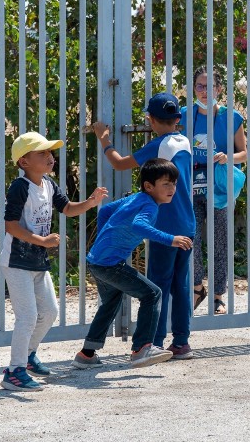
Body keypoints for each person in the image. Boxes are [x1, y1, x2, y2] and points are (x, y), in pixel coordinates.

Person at [0, 131, 108, 391]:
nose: (50, 157)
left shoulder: (48, 184)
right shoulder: (20, 187)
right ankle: (13, 372)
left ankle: (28, 356)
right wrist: (43, 241)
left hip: (36, 260)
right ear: (24, 162)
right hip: (16, 261)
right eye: (42, 153)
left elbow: (68, 208)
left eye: (50, 152)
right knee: (27, 317)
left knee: (49, 312)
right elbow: (11, 226)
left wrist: (90, 203)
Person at [92, 93, 197, 359]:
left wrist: (104, 139)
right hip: (187, 222)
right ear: (177, 119)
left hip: (164, 226)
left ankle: (154, 341)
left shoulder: (159, 145)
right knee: (181, 285)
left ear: (150, 120)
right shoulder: (183, 141)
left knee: (158, 284)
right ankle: (182, 343)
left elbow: (118, 163)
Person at [71, 158, 193, 370]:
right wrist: (171, 239)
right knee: (152, 294)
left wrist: (106, 239)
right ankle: (141, 349)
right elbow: (139, 225)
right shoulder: (149, 205)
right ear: (148, 186)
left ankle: (86, 354)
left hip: (97, 260)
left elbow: (104, 212)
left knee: (111, 302)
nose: (172, 188)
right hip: (109, 264)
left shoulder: (136, 198)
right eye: (166, 184)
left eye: (174, 183)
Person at [180, 66, 247, 315]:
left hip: (220, 187)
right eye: (199, 86)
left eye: (210, 86)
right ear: (193, 88)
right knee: (191, 239)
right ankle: (197, 289)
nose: (205, 91)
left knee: (220, 241)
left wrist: (226, 157)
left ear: (219, 89)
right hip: (192, 186)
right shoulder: (185, 115)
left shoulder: (232, 117)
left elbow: (244, 153)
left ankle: (218, 296)